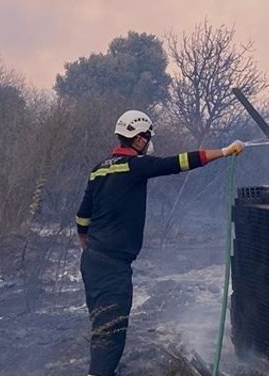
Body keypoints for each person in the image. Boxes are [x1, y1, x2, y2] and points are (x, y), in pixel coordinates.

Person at [75, 109, 245, 376]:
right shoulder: (135, 166)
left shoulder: (98, 171)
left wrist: (87, 245)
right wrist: (224, 151)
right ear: (139, 138)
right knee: (112, 328)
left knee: (101, 322)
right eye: (147, 136)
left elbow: (82, 217)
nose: (148, 141)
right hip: (113, 266)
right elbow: (179, 162)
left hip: (92, 261)